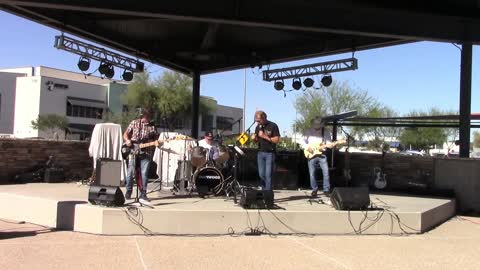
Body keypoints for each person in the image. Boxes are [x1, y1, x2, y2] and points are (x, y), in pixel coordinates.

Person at [123, 107, 162, 203]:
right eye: (146, 116)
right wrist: (127, 140)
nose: (147, 118)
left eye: (149, 117)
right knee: (130, 172)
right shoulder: (135, 122)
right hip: (133, 149)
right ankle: (128, 191)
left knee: (144, 173)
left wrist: (157, 143)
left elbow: (155, 139)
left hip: (147, 152)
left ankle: (143, 193)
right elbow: (125, 134)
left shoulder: (153, 127)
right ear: (143, 115)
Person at [251, 111, 280, 190]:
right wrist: (254, 139)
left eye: (259, 120)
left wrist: (264, 136)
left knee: (268, 175)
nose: (257, 122)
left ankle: (268, 195)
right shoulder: (258, 127)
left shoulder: (273, 126)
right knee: (261, 175)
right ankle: (264, 193)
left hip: (270, 153)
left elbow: (277, 140)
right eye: (256, 120)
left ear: (264, 118)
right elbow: (257, 140)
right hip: (260, 153)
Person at [302, 118, 331, 198]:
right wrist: (308, 147)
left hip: (322, 154)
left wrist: (328, 146)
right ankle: (314, 189)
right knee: (312, 173)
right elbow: (303, 142)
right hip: (311, 154)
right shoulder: (308, 131)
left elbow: (329, 143)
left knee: (326, 172)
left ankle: (326, 190)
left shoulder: (326, 132)